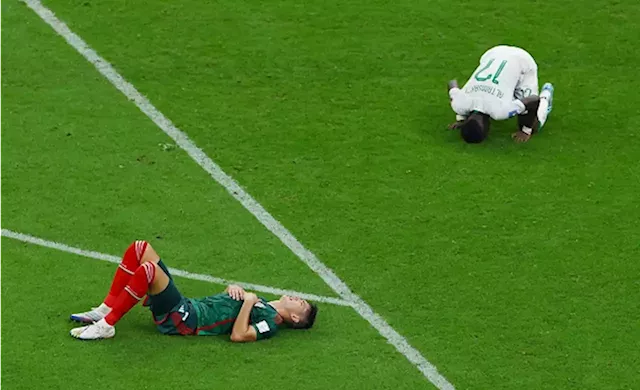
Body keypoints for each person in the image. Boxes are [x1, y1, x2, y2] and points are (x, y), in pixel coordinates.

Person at [69, 240, 318, 342]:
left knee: (148, 270)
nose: (299, 299)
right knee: (139, 248)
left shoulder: (270, 323)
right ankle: (107, 308)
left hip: (187, 319)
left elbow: (239, 335)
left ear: (295, 318)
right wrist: (233, 290)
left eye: (302, 304)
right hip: (189, 306)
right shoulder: (261, 302)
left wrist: (248, 303)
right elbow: (225, 307)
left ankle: (107, 325)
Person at [447, 45, 554, 143]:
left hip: (522, 62)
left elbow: (533, 100)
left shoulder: (500, 111)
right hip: (493, 53)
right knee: (511, 98)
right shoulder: (459, 104)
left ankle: (546, 97)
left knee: (531, 122)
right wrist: (461, 118)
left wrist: (526, 130)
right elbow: (452, 83)